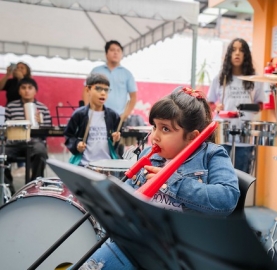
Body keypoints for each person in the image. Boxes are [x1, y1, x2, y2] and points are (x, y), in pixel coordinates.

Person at [69, 87, 240, 270]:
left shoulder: (212, 155)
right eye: (155, 127)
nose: (155, 136)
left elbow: (227, 199)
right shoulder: (149, 155)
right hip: (142, 242)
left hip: (183, 250)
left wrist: (172, 181)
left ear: (192, 138)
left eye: (165, 129)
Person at [207, 38, 265, 174]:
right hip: (223, 133)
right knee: (219, 173)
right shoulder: (220, 78)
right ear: (229, 54)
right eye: (234, 50)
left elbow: (260, 106)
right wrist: (217, 107)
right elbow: (209, 103)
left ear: (246, 54)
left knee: (242, 176)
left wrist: (246, 107)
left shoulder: (255, 79)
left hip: (245, 135)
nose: (237, 53)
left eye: (241, 50)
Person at [4, 78, 51, 194]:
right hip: (14, 143)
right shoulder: (10, 107)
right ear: (19, 91)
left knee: (41, 152)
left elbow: (48, 130)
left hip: (35, 142)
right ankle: (9, 191)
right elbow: (5, 128)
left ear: (35, 91)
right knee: (1, 155)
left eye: (30, 88)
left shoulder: (42, 108)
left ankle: (33, 188)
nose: (26, 91)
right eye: (23, 88)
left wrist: (41, 122)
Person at [64, 74, 121, 167]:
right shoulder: (79, 114)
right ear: (88, 90)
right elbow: (69, 136)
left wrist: (116, 139)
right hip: (84, 164)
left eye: (106, 90)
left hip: (107, 166)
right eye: (98, 89)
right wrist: (77, 144)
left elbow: (114, 145)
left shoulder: (113, 116)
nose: (103, 93)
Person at [82, 40, 137, 121]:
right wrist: (88, 110)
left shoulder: (127, 74)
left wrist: (125, 115)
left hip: (117, 117)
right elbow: (86, 91)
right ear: (106, 54)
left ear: (121, 54)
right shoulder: (96, 71)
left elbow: (133, 97)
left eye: (118, 50)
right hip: (96, 116)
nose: (115, 53)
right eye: (112, 50)